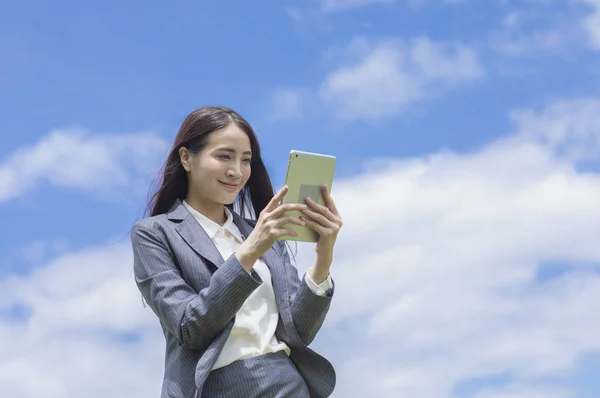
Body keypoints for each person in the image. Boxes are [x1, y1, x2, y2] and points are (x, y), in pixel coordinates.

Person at [130, 106, 343, 398]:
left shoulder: (263, 233)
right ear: (186, 158)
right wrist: (251, 250)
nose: (236, 171)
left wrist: (324, 257)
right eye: (223, 156)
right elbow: (189, 326)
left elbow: (298, 332)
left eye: (246, 160)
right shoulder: (154, 234)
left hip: (288, 384)